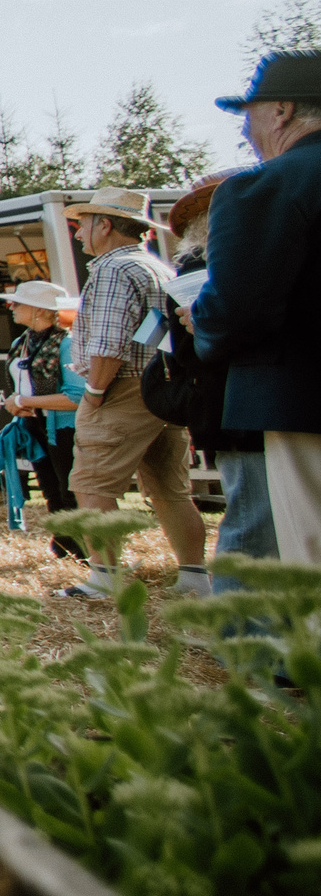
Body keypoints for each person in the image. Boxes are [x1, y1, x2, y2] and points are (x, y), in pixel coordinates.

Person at [191, 51, 321, 569]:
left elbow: (237, 310)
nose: (247, 130)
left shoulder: (265, 188)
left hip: (306, 402)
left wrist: (202, 324)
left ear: (282, 110)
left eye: (249, 113)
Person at [59, 186, 205, 601]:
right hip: (162, 389)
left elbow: (108, 346)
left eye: (83, 224)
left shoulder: (110, 270)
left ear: (105, 225)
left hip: (120, 390)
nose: (77, 234)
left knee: (92, 484)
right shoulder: (154, 265)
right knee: (170, 488)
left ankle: (105, 579)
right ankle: (195, 578)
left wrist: (93, 392)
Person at [155, 172, 273, 594]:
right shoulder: (197, 271)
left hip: (254, 409)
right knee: (253, 521)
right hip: (234, 411)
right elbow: (178, 348)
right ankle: (239, 634)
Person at [0, 280, 87, 559]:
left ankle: (84, 551)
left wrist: (25, 402)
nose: (11, 307)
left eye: (18, 303)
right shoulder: (20, 344)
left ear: (39, 310)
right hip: (35, 425)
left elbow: (76, 396)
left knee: (69, 490)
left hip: (63, 428)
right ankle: (63, 545)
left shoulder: (67, 343)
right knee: (49, 487)